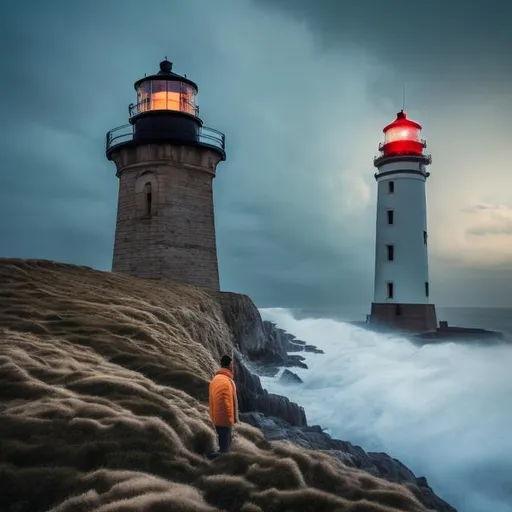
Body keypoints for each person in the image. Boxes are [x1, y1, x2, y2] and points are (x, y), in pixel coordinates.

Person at [208, 354, 238, 454]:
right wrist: (233, 420)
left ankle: (216, 457)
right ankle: (219, 464)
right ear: (230, 365)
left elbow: (211, 399)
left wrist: (212, 417)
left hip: (215, 418)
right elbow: (231, 403)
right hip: (225, 420)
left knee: (221, 443)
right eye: (232, 365)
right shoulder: (228, 381)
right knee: (225, 450)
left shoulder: (215, 379)